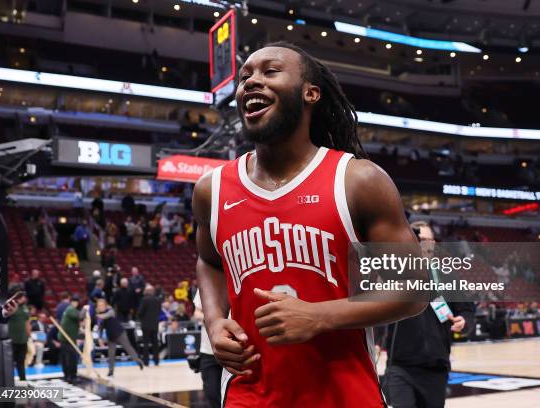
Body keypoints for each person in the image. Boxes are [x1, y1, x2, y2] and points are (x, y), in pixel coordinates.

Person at [192, 42, 426, 407]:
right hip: (248, 395)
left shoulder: (358, 180)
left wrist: (319, 316)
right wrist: (214, 320)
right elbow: (208, 261)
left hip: (345, 394)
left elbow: (414, 289)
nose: (252, 82)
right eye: (245, 76)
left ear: (310, 93)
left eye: (270, 72)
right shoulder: (211, 189)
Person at [383, 221, 475, 408]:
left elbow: (466, 309)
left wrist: (464, 321)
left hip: (435, 367)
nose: (428, 244)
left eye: (431, 240)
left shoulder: (448, 275)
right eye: (422, 239)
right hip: (401, 367)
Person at [95, 299, 144, 377]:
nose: (100, 307)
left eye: (101, 305)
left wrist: (98, 316)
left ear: (105, 305)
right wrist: (100, 338)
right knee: (111, 354)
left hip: (120, 333)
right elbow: (100, 328)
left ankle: (138, 361)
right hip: (111, 336)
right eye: (99, 305)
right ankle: (111, 371)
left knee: (128, 348)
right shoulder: (100, 316)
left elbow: (106, 316)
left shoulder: (110, 310)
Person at [193, 290, 221, 408]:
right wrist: (213, 319)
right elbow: (197, 313)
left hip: (234, 350)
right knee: (212, 394)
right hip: (208, 351)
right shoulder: (205, 285)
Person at [58, 294, 87, 383]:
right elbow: (80, 316)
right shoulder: (71, 309)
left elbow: (77, 322)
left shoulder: (69, 310)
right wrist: (85, 309)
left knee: (66, 357)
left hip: (66, 337)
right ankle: (72, 376)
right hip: (67, 338)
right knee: (71, 358)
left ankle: (67, 375)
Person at [7, 290, 30, 382]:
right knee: (10, 362)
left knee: (21, 362)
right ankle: (9, 380)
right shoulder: (10, 305)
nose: (25, 299)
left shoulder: (25, 308)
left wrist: (29, 335)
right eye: (24, 297)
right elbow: (6, 314)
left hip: (23, 340)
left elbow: (27, 322)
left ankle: (23, 380)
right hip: (13, 339)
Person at [137, 285, 161, 366]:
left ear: (147, 291)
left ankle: (146, 362)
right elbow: (159, 311)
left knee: (146, 344)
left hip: (146, 325)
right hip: (155, 324)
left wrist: (140, 317)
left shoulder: (144, 300)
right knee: (155, 344)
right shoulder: (158, 299)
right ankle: (156, 361)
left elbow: (140, 312)